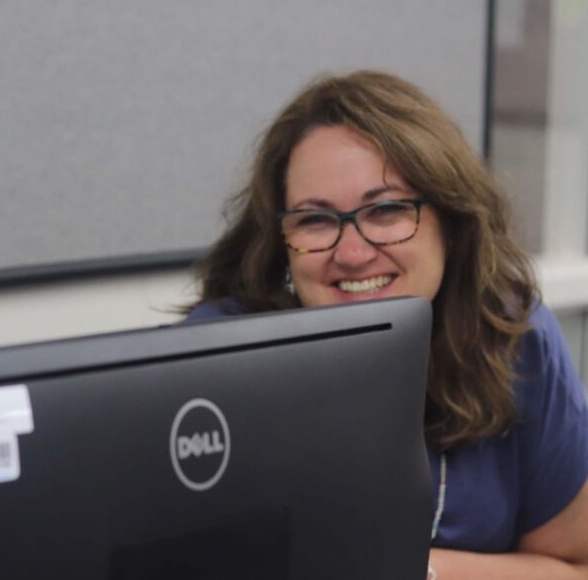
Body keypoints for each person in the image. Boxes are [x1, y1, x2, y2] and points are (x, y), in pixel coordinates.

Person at [186, 71, 588, 578]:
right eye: (315, 220)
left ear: (451, 219)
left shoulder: (513, 337)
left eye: (387, 211)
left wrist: (416, 570)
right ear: (281, 242)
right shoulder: (217, 359)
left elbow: (571, 567)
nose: (352, 253)